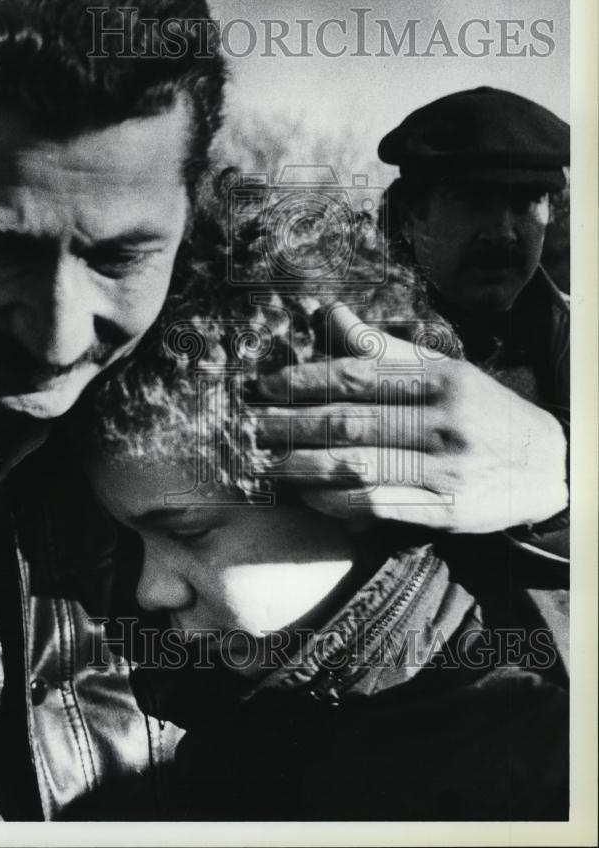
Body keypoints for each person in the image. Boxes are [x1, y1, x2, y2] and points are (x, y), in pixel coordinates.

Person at [0, 0, 570, 820]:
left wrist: (562, 488)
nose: (61, 340)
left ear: (189, 201)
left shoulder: (226, 386)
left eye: (120, 255)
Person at [74, 189, 569, 821]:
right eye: (132, 542)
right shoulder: (241, 728)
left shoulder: (533, 769)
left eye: (191, 532)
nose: (149, 591)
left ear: (363, 478)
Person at [378, 86, 570, 558]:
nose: (502, 232)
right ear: (408, 216)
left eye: (526, 201)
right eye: (473, 200)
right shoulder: (347, 343)